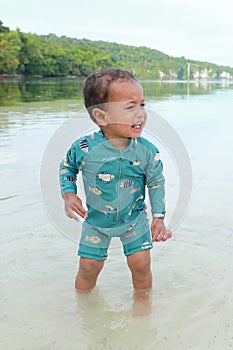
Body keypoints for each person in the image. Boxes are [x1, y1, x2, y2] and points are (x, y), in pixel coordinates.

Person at [59, 68, 172, 298]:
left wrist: (158, 218)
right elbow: (67, 167)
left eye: (142, 104)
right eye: (130, 107)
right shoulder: (85, 148)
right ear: (102, 117)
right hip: (97, 220)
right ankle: (82, 306)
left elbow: (156, 181)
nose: (140, 113)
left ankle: (143, 308)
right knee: (88, 267)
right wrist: (69, 195)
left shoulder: (146, 151)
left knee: (141, 264)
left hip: (134, 219)